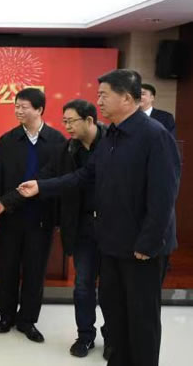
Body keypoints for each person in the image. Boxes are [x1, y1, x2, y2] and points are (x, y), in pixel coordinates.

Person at [18, 69, 180, 366]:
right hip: (111, 243)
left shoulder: (154, 136)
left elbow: (164, 195)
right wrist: (42, 186)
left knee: (141, 319)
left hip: (142, 249)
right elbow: (85, 175)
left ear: (127, 98)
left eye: (104, 95)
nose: (99, 101)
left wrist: (148, 243)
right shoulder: (112, 136)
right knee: (115, 314)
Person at [0, 99, 108, 358]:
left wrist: (41, 189)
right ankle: (85, 336)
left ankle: (111, 338)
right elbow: (43, 177)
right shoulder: (67, 148)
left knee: (110, 288)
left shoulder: (111, 144)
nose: (67, 127)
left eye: (71, 121)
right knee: (83, 285)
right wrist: (4, 202)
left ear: (89, 120)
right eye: (65, 121)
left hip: (112, 227)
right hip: (81, 226)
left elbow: (76, 178)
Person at [0, 87, 65, 343]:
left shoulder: (57, 141)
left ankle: (28, 320)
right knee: (7, 268)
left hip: (41, 217)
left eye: (24, 107)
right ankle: (6, 316)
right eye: (16, 106)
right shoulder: (7, 140)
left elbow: (60, 182)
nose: (18, 111)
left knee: (35, 271)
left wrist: (58, 218)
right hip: (10, 216)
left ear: (39, 109)